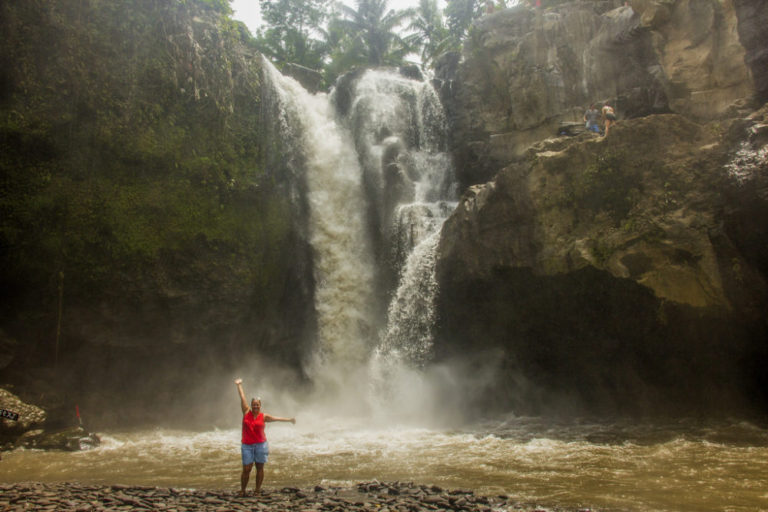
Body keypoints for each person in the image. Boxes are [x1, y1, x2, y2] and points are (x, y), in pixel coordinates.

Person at [235, 378, 295, 497]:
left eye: (257, 405)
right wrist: (239, 385)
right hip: (247, 445)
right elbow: (242, 397)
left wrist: (289, 420)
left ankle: (257, 490)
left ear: (260, 405)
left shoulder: (264, 416)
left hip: (260, 445)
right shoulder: (246, 412)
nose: (255, 406)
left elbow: (276, 418)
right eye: (254, 404)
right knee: (246, 468)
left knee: (259, 467)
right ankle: (243, 490)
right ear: (251, 405)